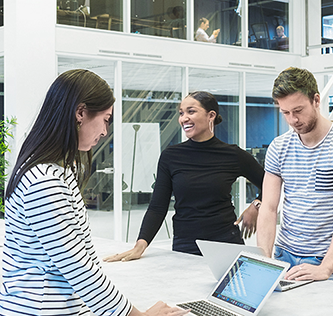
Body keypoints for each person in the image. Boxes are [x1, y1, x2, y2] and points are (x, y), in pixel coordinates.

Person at [0, 69, 186, 316]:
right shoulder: (44, 180)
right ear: (80, 113)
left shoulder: (57, 171)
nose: (105, 130)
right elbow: (79, 270)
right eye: (105, 119)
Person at [105, 91, 265, 260]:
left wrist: (255, 206)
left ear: (211, 115)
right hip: (185, 243)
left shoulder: (233, 154)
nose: (183, 118)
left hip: (226, 242)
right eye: (181, 113)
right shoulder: (171, 156)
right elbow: (157, 207)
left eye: (191, 111)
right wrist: (140, 245)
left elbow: (269, 184)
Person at [256, 67, 333, 282]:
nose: (292, 120)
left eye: (298, 110)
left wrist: (326, 268)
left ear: (316, 100)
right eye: (285, 113)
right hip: (284, 253)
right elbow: (269, 208)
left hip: (325, 259)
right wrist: (264, 260)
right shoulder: (279, 147)